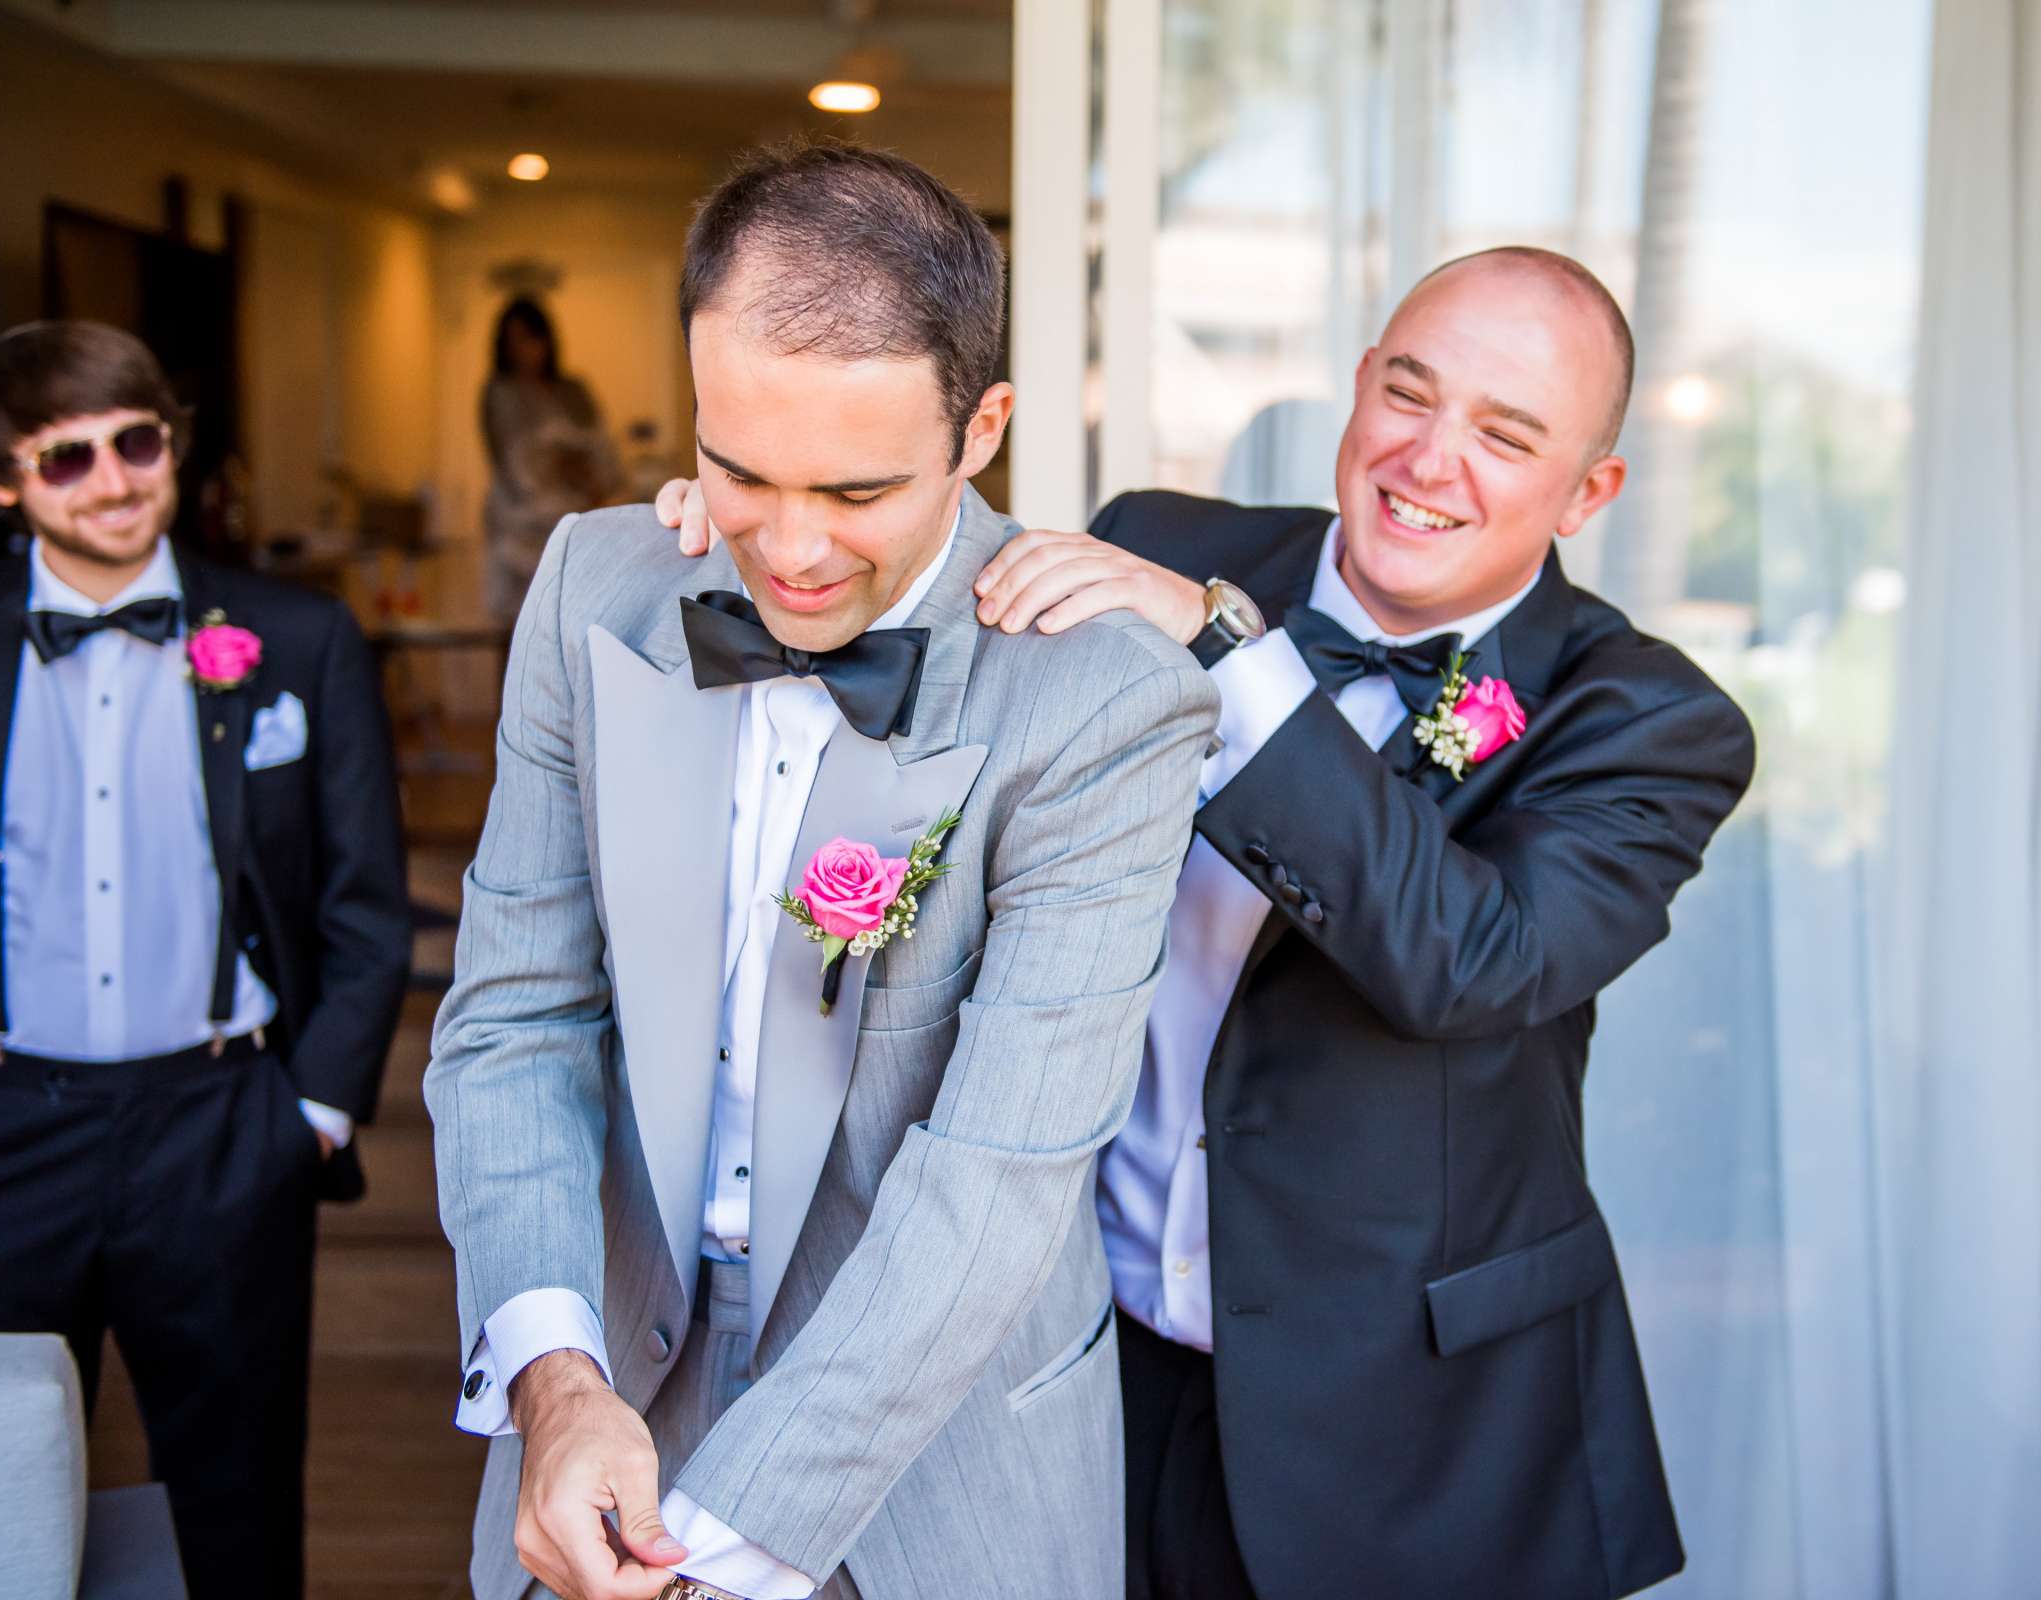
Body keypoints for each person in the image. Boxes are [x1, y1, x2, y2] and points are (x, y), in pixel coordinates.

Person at [662, 246, 1757, 1598]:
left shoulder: (1650, 720)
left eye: (1505, 435)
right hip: (1075, 1372)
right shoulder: (1159, 538)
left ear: (1588, 489)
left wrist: (1231, 659)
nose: (1428, 460)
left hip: (1412, 1439)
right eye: (1407, 396)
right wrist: (770, 521)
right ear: (1356, 393)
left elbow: (1468, 962)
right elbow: (917, 649)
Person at [427, 141, 1216, 1600]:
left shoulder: (1100, 697)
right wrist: (550, 1380)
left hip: (943, 1461)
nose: (787, 551)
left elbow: (995, 1180)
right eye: (739, 470)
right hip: (603, 1400)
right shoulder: (594, 589)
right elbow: (513, 1020)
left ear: (982, 430)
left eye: (854, 490)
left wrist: (706, 1550)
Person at [0, 320, 412, 1599]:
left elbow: (365, 901)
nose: (116, 479)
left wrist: (315, 1113)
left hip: (224, 1131)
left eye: (138, 441)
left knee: (236, 1504)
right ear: (5, 484)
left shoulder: (298, 635)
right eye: (68, 459)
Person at [482, 296, 622, 619]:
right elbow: (514, 466)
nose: (523, 351)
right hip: (521, 529)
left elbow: (603, 455)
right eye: (513, 343)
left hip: (576, 520)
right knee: (521, 625)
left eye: (529, 339)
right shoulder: (500, 394)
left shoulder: (573, 390)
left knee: (575, 619)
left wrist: (583, 476)